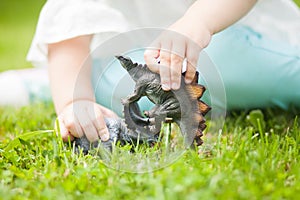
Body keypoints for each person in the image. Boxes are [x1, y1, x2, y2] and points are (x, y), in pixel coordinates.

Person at [0, 0, 299, 143]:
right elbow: (69, 20)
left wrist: (198, 22)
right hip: (136, 56)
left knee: (246, 69)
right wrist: (73, 102)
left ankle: (47, 83)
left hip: (231, 34)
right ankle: (51, 84)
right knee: (109, 89)